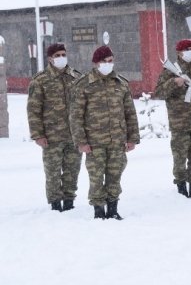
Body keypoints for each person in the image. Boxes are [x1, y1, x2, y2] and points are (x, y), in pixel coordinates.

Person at [70, 45, 140, 220]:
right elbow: (76, 116)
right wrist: (81, 141)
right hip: (94, 142)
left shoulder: (121, 83)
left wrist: (132, 138)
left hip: (117, 140)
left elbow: (130, 113)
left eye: (111, 61)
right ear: (96, 63)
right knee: (96, 177)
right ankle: (98, 211)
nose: (109, 64)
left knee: (115, 175)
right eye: (105, 61)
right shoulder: (84, 84)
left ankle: (113, 208)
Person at [26, 43, 83, 212]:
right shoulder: (40, 80)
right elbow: (33, 110)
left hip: (74, 135)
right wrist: (38, 134)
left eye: (63, 54)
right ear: (50, 58)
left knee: (72, 171)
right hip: (51, 136)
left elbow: (83, 106)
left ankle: (69, 202)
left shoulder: (75, 77)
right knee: (53, 172)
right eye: (57, 55)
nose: (61, 58)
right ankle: (55, 204)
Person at [154, 38, 191, 198]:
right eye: (187, 49)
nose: (190, 51)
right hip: (180, 123)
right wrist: (174, 82)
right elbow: (158, 93)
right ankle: (181, 187)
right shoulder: (170, 71)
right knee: (180, 158)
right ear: (179, 52)